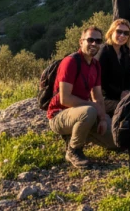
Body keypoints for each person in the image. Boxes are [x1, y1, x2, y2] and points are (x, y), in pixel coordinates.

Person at [46, 25, 118, 168]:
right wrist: (93, 106)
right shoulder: (71, 62)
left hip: (80, 113)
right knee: (89, 111)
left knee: (116, 142)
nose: (94, 44)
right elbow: (64, 99)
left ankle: (80, 131)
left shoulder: (95, 65)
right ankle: (73, 150)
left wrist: (103, 118)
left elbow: (98, 96)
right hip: (59, 115)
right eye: (90, 40)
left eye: (98, 41)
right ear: (81, 42)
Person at [99, 19, 130, 114]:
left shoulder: (125, 51)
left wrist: (129, 91)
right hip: (104, 97)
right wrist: (120, 94)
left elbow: (129, 75)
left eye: (126, 33)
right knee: (127, 109)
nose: (122, 35)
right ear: (111, 32)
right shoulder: (103, 52)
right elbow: (101, 81)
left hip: (122, 95)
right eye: (119, 31)